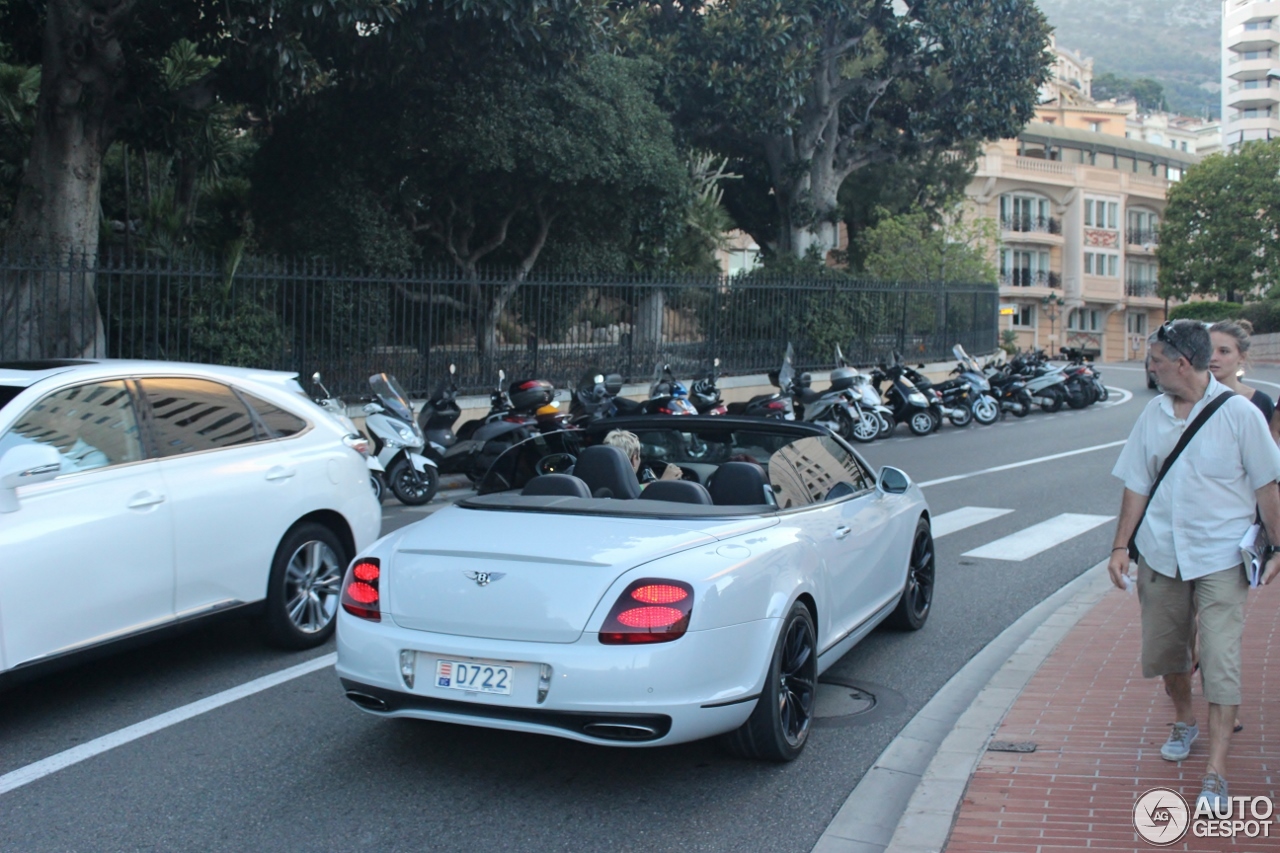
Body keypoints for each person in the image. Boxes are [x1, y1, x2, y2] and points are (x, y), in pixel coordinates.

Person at [1108, 319, 1280, 812]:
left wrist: (1279, 547)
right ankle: (1184, 718)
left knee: (1221, 657)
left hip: (1221, 556)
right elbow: (1136, 484)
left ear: (1181, 363)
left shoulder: (1241, 415)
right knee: (1169, 652)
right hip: (1161, 553)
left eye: (1156, 358)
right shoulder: (1152, 415)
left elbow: (1268, 485)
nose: (1150, 365)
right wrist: (1120, 547)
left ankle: (1216, 771)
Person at [1209, 319, 1279, 439]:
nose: (1213, 357)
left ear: (1242, 357)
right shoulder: (1186, 399)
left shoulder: (1261, 402)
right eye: (1208, 350)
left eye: (1224, 351)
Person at [601, 429, 681, 485]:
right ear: (634, 459)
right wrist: (664, 481)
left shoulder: (596, 482)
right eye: (639, 456)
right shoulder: (626, 489)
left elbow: (641, 488)